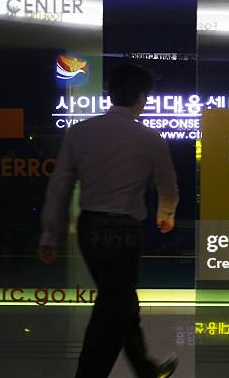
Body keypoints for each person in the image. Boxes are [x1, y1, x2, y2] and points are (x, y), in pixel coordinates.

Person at [38, 64, 179, 378]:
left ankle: (146, 369)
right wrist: (165, 213)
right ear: (141, 97)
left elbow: (59, 187)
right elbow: (167, 186)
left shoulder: (80, 132)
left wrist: (49, 236)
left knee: (121, 301)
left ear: (110, 93)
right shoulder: (149, 138)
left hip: (89, 230)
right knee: (113, 308)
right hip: (125, 232)